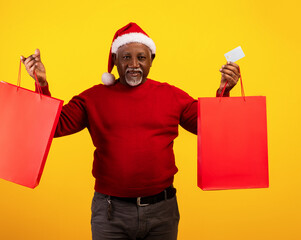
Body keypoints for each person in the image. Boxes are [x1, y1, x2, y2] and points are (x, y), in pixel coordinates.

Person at [21, 22, 240, 240]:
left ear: (151, 61)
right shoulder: (92, 98)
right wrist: (41, 84)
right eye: (126, 57)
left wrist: (224, 90)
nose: (134, 64)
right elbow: (54, 127)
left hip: (162, 211)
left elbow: (211, 128)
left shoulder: (171, 95)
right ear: (115, 60)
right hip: (110, 213)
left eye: (141, 58)